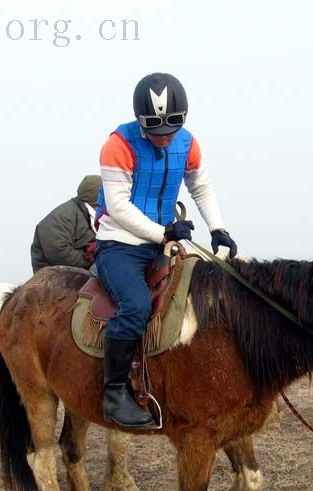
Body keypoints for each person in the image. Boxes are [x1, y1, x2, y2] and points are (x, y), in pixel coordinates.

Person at [94, 72, 238, 429]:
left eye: (171, 131)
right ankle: (114, 393)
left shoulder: (187, 143)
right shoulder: (117, 144)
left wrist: (218, 227)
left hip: (163, 241)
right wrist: (164, 233)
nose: (164, 139)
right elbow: (118, 206)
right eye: (156, 132)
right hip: (120, 244)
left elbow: (200, 186)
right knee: (136, 305)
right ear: (141, 121)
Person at [30, 175, 102, 273]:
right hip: (53, 276)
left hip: (80, 271)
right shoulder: (60, 217)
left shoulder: (95, 214)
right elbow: (59, 254)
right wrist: (94, 257)